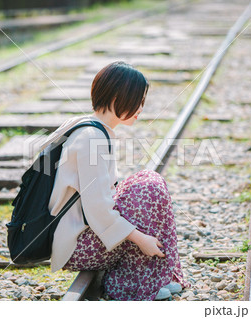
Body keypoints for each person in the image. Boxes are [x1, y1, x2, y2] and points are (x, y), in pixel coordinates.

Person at [47, 61, 188, 300]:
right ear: (115, 97)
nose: (140, 108)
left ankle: (153, 277)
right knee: (148, 187)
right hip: (77, 246)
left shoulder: (90, 129)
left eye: (142, 101)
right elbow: (98, 208)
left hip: (84, 234)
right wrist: (141, 239)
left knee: (147, 181)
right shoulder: (91, 138)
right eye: (135, 100)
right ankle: (137, 284)